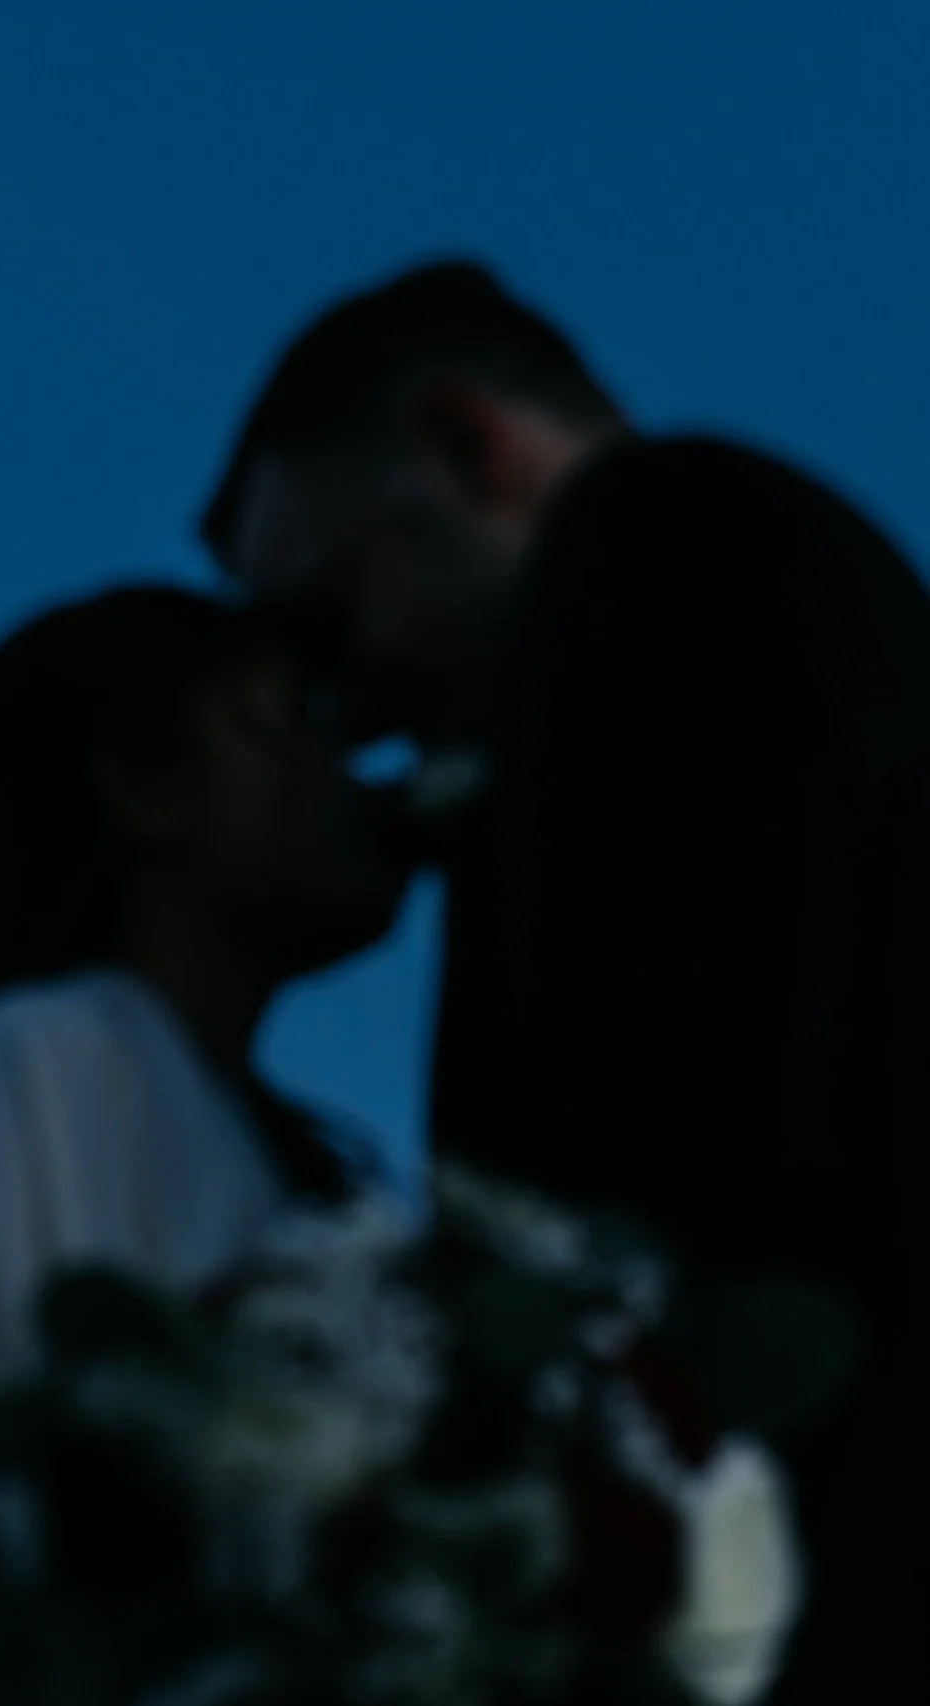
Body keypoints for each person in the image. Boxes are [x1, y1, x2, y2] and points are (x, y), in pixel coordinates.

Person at [198, 259, 930, 1700]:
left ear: (471, 446)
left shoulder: (659, 553)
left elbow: (680, 1158)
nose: (351, 709)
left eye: (327, 617)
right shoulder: (740, 576)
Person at [0, 585, 412, 1706]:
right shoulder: (33, 1073)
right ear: (142, 790)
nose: (338, 754)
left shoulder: (301, 1176)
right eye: (271, 714)